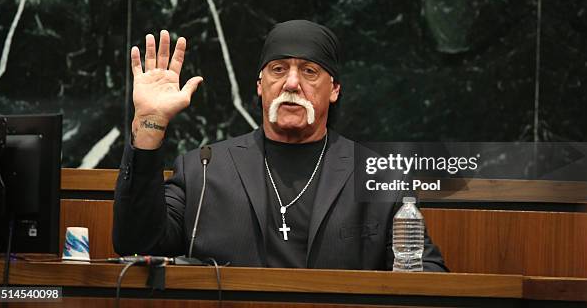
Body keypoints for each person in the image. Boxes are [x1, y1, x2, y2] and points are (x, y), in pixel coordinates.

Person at [113, 20, 447, 270]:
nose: (291, 83)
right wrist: (149, 123)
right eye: (278, 69)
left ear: (334, 90)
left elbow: (426, 275)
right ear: (261, 86)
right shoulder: (204, 169)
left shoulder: (378, 178)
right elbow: (137, 244)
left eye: (309, 71)